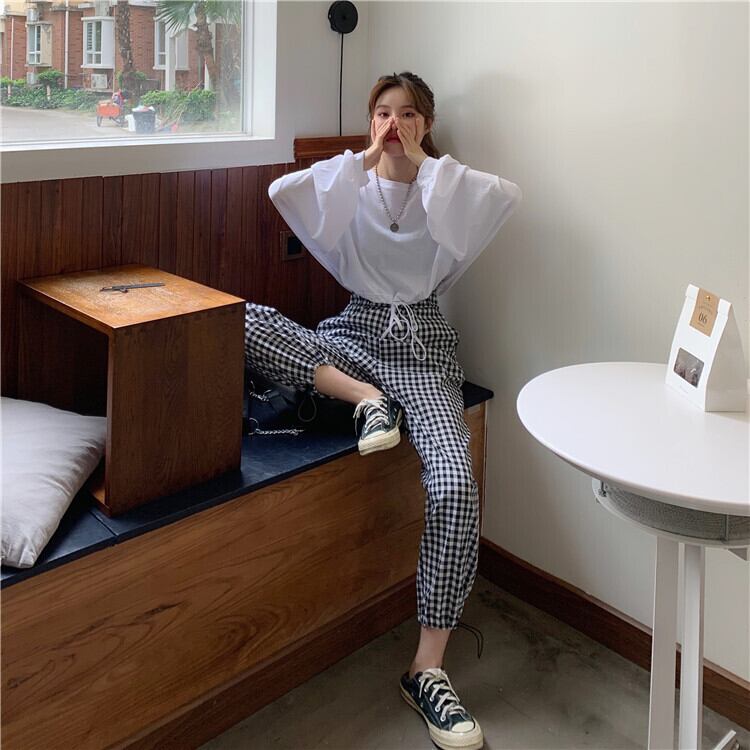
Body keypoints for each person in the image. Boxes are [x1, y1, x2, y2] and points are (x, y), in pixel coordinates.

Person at [245, 71, 521, 750]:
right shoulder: (355, 185)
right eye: (382, 113)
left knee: (455, 484)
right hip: (354, 337)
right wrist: (367, 158)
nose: (394, 124)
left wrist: (424, 161)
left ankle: (427, 670)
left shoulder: (445, 189)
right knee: (241, 320)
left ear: (427, 123)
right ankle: (368, 403)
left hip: (423, 351)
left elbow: (505, 197)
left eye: (408, 114)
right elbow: (282, 193)